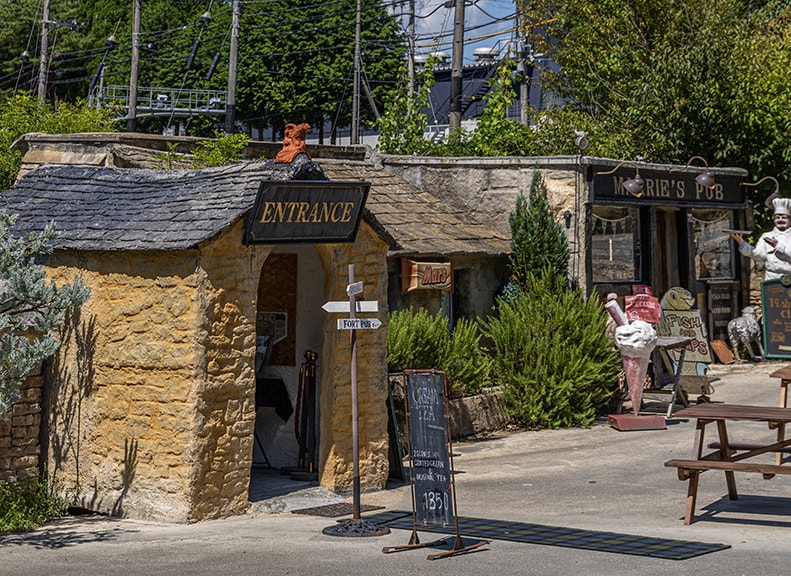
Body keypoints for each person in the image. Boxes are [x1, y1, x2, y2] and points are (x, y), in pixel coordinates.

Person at [730, 197, 791, 280]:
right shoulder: (767, 236)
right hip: (772, 279)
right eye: (777, 217)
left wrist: (778, 246)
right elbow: (758, 255)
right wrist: (742, 243)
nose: (780, 220)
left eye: (784, 217)